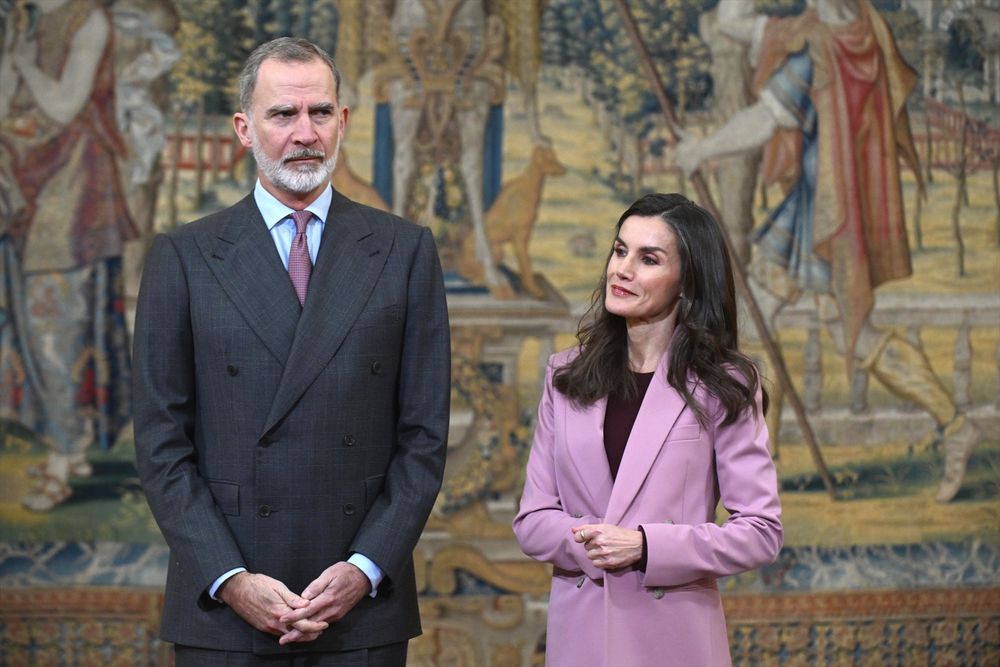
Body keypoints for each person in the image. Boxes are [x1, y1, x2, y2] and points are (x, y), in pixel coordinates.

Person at [132, 37, 450, 665]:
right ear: (245, 129)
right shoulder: (185, 256)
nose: (305, 133)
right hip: (225, 609)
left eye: (321, 113)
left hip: (360, 607)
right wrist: (230, 578)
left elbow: (424, 438)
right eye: (283, 115)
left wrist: (365, 567)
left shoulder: (405, 250)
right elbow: (161, 443)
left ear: (343, 122)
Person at [676, 0, 980, 503]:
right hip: (827, 211)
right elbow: (736, 24)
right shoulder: (862, 29)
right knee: (761, 324)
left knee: (843, 336)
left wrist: (701, 150)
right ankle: (759, 466)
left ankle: (954, 424)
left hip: (826, 217)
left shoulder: (819, 46)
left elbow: (763, 120)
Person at [513, 194, 783, 667]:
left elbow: (760, 530)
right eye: (620, 251)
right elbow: (532, 521)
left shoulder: (725, 385)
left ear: (687, 282)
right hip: (580, 640)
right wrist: (590, 541)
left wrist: (645, 546)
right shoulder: (565, 376)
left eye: (648, 259)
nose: (622, 269)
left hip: (675, 640)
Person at [0, 0, 135, 511]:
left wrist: (22, 62)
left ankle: (62, 461)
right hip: (31, 183)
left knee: (58, 325)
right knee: (35, 325)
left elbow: (62, 105)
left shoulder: (89, 21)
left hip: (75, 191)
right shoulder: (31, 19)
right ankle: (70, 445)